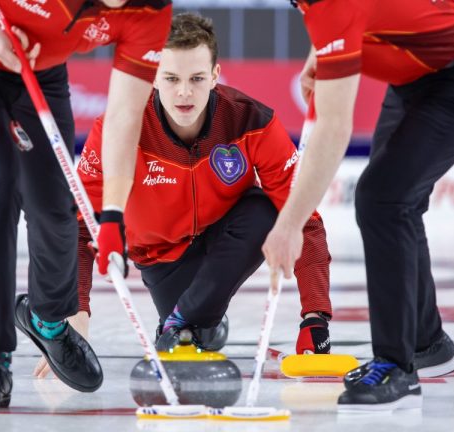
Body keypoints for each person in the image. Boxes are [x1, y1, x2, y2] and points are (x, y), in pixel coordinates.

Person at [34, 12, 334, 378]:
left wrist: (315, 318)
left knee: (270, 211)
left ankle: (185, 322)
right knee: (197, 335)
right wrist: (76, 314)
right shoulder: (118, 128)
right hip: (161, 260)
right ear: (153, 75)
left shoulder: (251, 120)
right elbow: (81, 224)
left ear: (215, 75)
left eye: (196, 78)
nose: (184, 92)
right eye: (172, 78)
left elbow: (305, 218)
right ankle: (195, 322)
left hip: (229, 240)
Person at [0, 0, 171, 410]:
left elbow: (122, 116)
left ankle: (47, 321)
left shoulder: (151, 13)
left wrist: (113, 215)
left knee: (54, 204)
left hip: (36, 70)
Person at [262, 0, 454, 411]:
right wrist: (320, 52)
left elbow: (334, 128)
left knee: (381, 199)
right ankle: (427, 344)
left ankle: (396, 367)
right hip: (413, 81)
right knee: (397, 202)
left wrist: (289, 224)